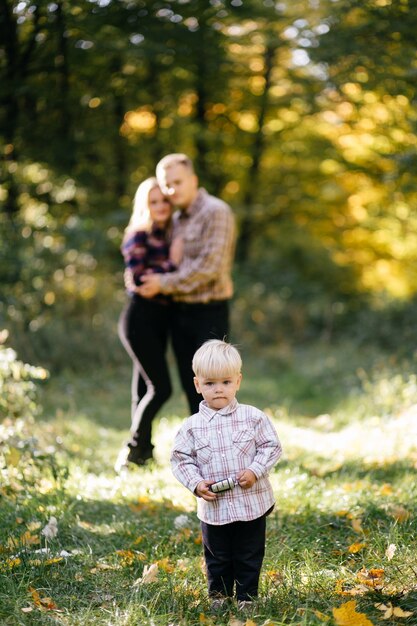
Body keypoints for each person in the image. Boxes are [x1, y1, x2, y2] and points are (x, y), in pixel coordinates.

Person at [170, 340, 282, 611]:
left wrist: (255, 471)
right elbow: (180, 459)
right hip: (214, 508)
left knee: (248, 553)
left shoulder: (253, 418)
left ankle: (247, 598)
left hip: (251, 503)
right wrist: (196, 484)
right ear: (197, 385)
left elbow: (271, 446)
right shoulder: (192, 427)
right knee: (217, 556)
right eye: (210, 384)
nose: (218, 389)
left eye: (226, 382)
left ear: (238, 382)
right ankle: (219, 597)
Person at [138, 154, 236, 414]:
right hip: (179, 314)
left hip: (208, 313)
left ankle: (223, 451)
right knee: (193, 387)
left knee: (217, 389)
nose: (172, 190)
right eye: (167, 184)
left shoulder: (216, 212)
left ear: (193, 180)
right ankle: (202, 451)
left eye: (178, 182)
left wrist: (163, 283)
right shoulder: (176, 220)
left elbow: (210, 268)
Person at [115, 177, 181, 472]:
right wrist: (174, 264)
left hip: (160, 321)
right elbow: (141, 280)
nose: (160, 206)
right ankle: (131, 450)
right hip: (139, 318)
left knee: (143, 390)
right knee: (162, 388)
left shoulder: (169, 235)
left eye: (164, 200)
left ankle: (144, 453)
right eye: (153, 202)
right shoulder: (137, 235)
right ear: (145, 206)